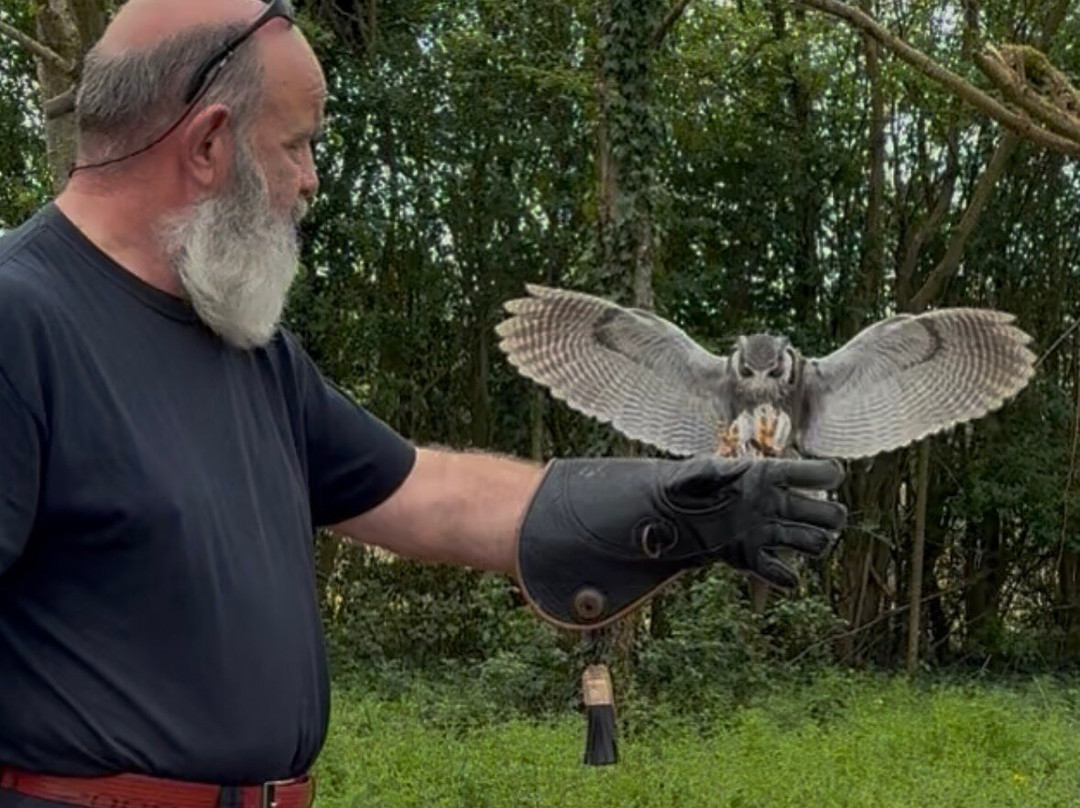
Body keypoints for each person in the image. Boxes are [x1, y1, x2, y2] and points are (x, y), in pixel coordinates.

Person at [0, 0, 848, 805]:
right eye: (296, 146)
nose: (311, 180)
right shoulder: (21, 321)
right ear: (209, 146)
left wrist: (668, 506)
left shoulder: (245, 350)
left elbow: (418, 491)